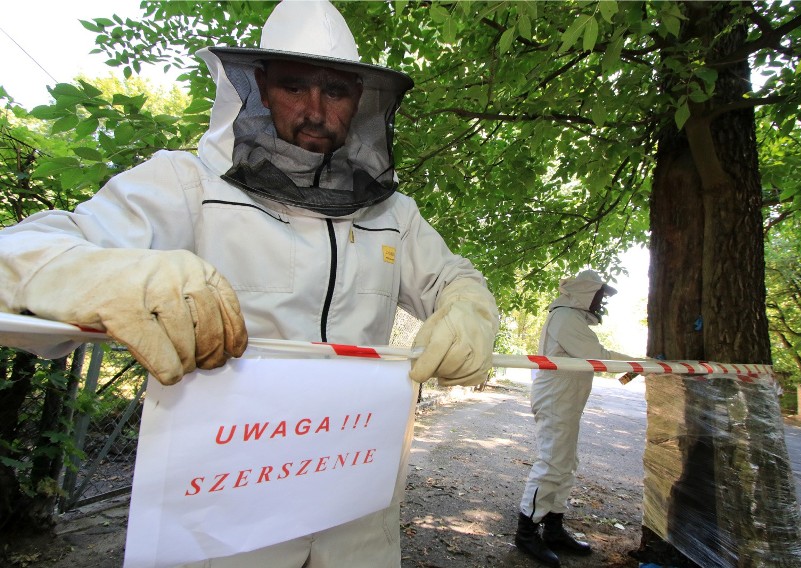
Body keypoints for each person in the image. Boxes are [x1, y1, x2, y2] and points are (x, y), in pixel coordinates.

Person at [0, 1, 499, 566]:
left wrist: (469, 309)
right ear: (259, 87)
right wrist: (110, 277)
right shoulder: (186, 182)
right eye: (294, 87)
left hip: (357, 514)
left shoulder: (395, 214)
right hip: (224, 523)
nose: (315, 109)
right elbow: (15, 253)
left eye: (335, 91)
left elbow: (455, 276)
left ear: (360, 99)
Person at [515, 270, 636, 567]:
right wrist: (640, 363)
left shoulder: (571, 317)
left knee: (566, 464)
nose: (601, 302)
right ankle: (526, 532)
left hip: (566, 401)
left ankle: (553, 528)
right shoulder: (566, 317)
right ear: (585, 292)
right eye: (599, 295)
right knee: (552, 463)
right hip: (556, 400)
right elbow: (598, 355)